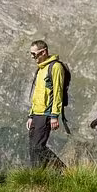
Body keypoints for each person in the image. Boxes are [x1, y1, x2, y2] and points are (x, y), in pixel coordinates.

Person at [27, 40, 66, 168]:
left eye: (34, 54)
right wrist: (31, 115)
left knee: (38, 147)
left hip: (46, 114)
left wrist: (54, 115)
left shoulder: (55, 67)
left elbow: (58, 92)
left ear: (43, 52)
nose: (32, 57)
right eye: (31, 54)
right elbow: (36, 94)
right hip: (36, 113)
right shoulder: (40, 69)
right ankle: (37, 175)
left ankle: (62, 169)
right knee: (33, 148)